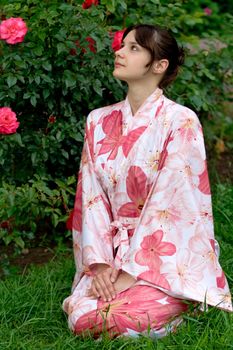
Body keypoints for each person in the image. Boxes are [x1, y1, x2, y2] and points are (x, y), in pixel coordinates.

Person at [63, 24, 232, 338]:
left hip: (163, 256)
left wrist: (132, 271)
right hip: (111, 253)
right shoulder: (97, 121)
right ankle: (157, 317)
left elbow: (174, 202)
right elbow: (91, 199)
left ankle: (176, 302)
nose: (119, 52)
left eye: (133, 48)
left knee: (111, 317)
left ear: (159, 65)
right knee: (82, 317)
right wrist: (99, 265)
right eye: (122, 45)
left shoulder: (180, 120)